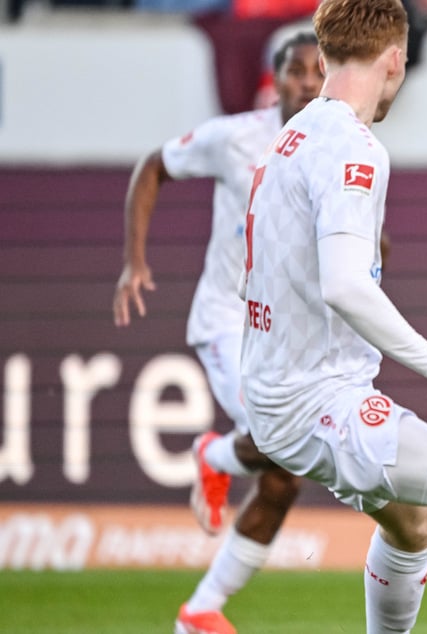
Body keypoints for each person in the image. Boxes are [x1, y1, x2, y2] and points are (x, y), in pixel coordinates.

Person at [238, 1, 427, 632]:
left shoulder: (289, 137)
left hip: (277, 387)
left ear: (321, 59)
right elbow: (345, 286)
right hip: (315, 400)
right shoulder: (356, 147)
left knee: (414, 519)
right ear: (396, 60)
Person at [113, 32, 325, 634]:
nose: (307, 82)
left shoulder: (340, 150)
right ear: (274, 79)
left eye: (318, 71)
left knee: (285, 477)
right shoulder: (234, 137)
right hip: (228, 321)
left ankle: (201, 609)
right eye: (296, 71)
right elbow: (154, 165)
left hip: (288, 331)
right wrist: (135, 260)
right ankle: (217, 453)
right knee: (277, 442)